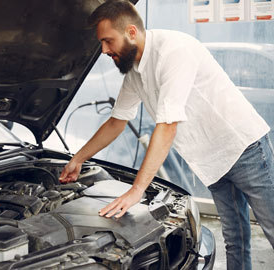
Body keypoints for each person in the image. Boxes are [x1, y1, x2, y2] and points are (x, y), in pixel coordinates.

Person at [59, 1, 274, 269]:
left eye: (108, 41)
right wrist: (78, 159)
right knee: (235, 239)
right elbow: (117, 121)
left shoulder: (174, 51)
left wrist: (137, 190)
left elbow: (168, 125)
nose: (103, 50)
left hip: (244, 149)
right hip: (212, 163)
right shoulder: (135, 72)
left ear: (132, 32)